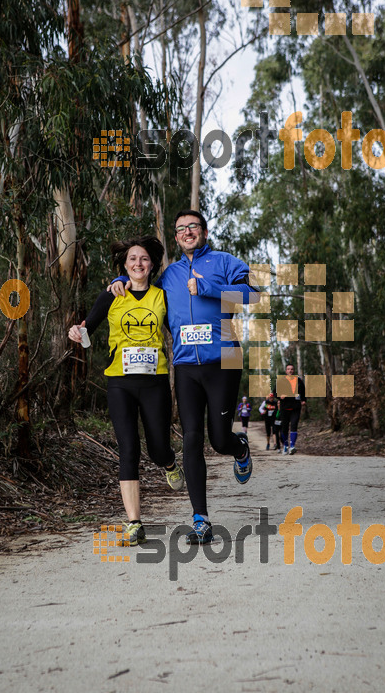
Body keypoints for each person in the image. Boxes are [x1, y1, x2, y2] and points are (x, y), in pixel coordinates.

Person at [110, 210, 256, 545]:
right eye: (180, 229)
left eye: (193, 227)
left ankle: (240, 448)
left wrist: (208, 286)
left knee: (219, 439)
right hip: (186, 364)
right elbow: (142, 292)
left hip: (225, 359)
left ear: (204, 231)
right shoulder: (170, 275)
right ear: (175, 238)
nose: (187, 232)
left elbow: (252, 295)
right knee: (191, 437)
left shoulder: (224, 262)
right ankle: (201, 519)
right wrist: (121, 282)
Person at [68, 236, 184, 547]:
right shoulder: (111, 295)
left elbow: (180, 327)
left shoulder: (163, 297)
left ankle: (170, 463)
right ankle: (135, 523)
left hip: (155, 381)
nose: (138, 264)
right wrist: (77, 333)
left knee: (158, 449)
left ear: (152, 265)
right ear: (125, 265)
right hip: (119, 381)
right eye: (132, 259)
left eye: (144, 259)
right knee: (128, 449)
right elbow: (86, 328)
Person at [274, 363, 306, 455]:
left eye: (292, 369)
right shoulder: (281, 381)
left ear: (294, 371)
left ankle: (292, 446)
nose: (290, 371)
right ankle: (285, 445)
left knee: (294, 425)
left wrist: (303, 400)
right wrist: (280, 397)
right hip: (284, 408)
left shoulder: (299, 381)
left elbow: (303, 392)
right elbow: (275, 393)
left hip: (296, 407)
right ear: (286, 371)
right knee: (284, 429)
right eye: (288, 369)